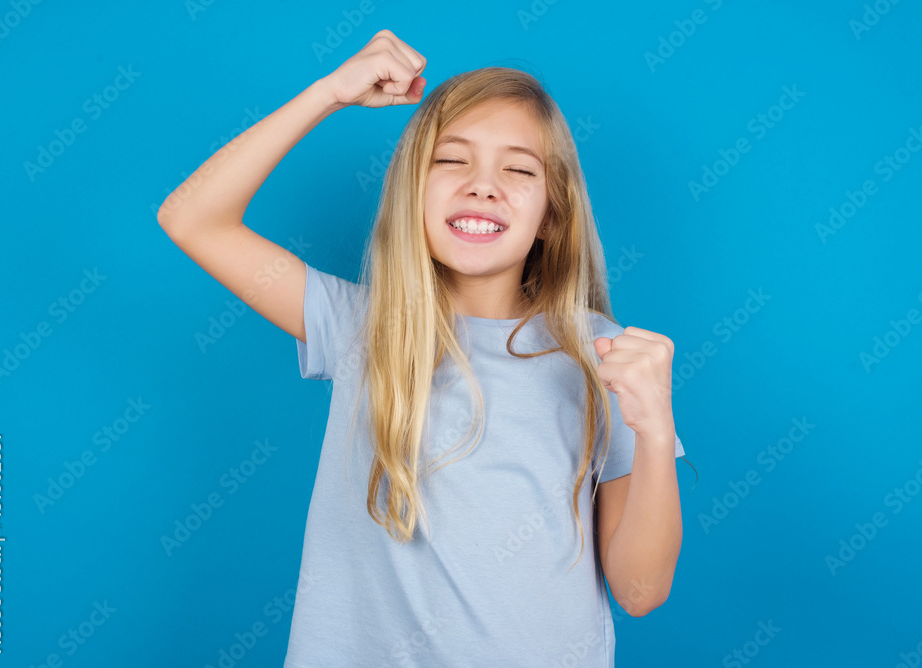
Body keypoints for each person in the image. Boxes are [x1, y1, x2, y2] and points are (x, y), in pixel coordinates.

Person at [157, 28, 690, 667]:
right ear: (414, 189)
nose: (482, 185)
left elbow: (639, 590)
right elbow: (192, 218)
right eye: (452, 159)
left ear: (552, 213)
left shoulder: (598, 354)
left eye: (519, 169)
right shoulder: (360, 326)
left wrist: (655, 430)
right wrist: (329, 93)